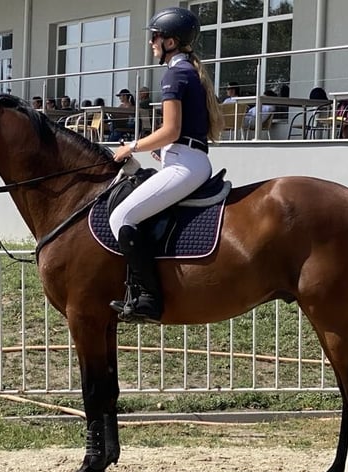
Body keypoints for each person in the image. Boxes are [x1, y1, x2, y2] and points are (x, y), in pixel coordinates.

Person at [109, 6, 224, 323]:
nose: (151, 43)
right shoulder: (190, 71)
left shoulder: (176, 73)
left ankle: (149, 298)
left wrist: (130, 147)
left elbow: (170, 130)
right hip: (187, 158)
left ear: (171, 42)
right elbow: (178, 134)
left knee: (122, 216)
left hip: (186, 165)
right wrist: (163, 150)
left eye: (155, 37)